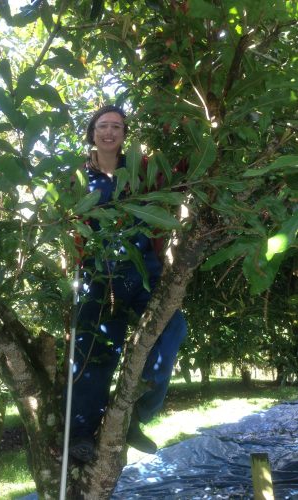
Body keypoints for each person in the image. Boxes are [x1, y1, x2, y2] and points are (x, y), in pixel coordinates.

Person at [69, 105, 187, 463]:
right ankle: (81, 433)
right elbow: (69, 220)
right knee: (95, 351)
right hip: (99, 273)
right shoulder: (77, 175)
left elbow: (174, 183)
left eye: (116, 127)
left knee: (172, 328)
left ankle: (137, 412)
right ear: (92, 132)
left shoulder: (141, 167)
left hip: (143, 268)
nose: (109, 132)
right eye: (102, 126)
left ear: (124, 134)